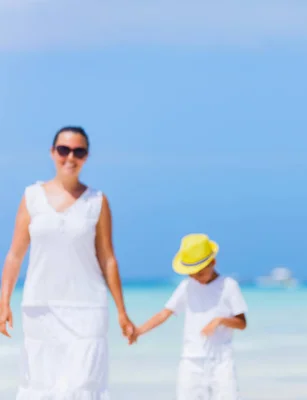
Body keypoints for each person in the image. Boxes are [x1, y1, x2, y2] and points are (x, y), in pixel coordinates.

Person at [0, 126, 136, 398]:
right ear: (52, 153)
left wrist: (122, 311)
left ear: (86, 157)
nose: (70, 157)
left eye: (79, 151)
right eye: (63, 150)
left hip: (87, 308)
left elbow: (108, 258)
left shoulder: (97, 201)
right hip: (40, 308)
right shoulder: (32, 197)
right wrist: (4, 302)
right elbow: (15, 254)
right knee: (41, 387)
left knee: (82, 387)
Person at [133, 233, 248, 400]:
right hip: (191, 361)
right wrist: (139, 330)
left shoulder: (229, 286)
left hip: (221, 361)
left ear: (213, 263)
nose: (195, 278)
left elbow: (242, 323)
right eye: (191, 274)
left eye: (200, 274)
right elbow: (164, 313)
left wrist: (220, 320)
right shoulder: (187, 286)